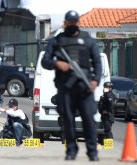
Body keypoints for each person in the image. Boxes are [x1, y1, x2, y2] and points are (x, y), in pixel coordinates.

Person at [41, 10, 102, 161]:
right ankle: (71, 150)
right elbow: (45, 60)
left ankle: (92, 152)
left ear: (78, 23)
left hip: (84, 87)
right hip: (66, 87)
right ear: (65, 22)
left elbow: (97, 62)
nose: (73, 24)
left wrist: (95, 81)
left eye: (75, 22)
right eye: (70, 22)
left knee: (88, 119)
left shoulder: (87, 40)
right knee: (67, 119)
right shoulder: (57, 41)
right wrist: (57, 63)